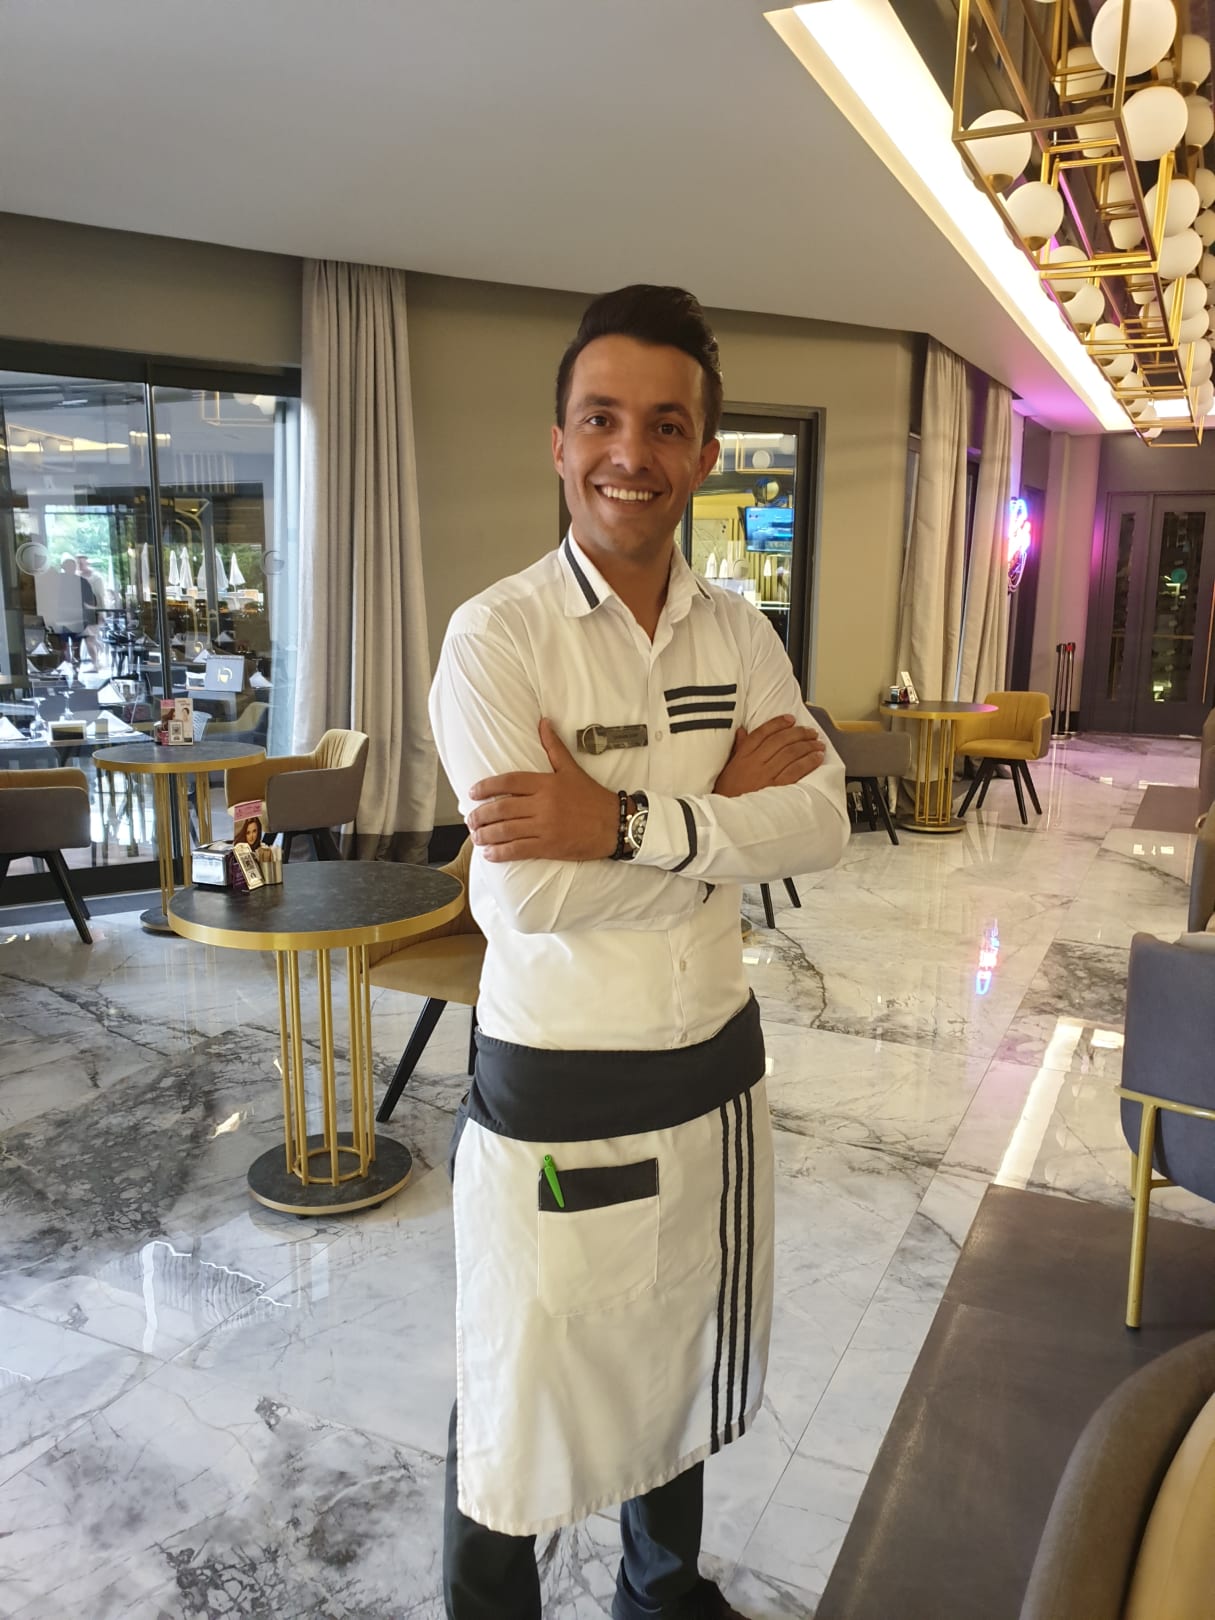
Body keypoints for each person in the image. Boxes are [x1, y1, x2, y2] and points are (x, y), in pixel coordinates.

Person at [429, 285, 850, 1620]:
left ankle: (662, 1598)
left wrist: (617, 820)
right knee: (522, 1381)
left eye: (666, 426)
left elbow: (825, 824)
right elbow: (532, 900)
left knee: (679, 1354)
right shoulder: (497, 638)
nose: (632, 452)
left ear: (705, 454)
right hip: (562, 1082)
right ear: (558, 443)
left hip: (712, 1072)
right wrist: (722, 824)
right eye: (602, 419)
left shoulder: (739, 631)